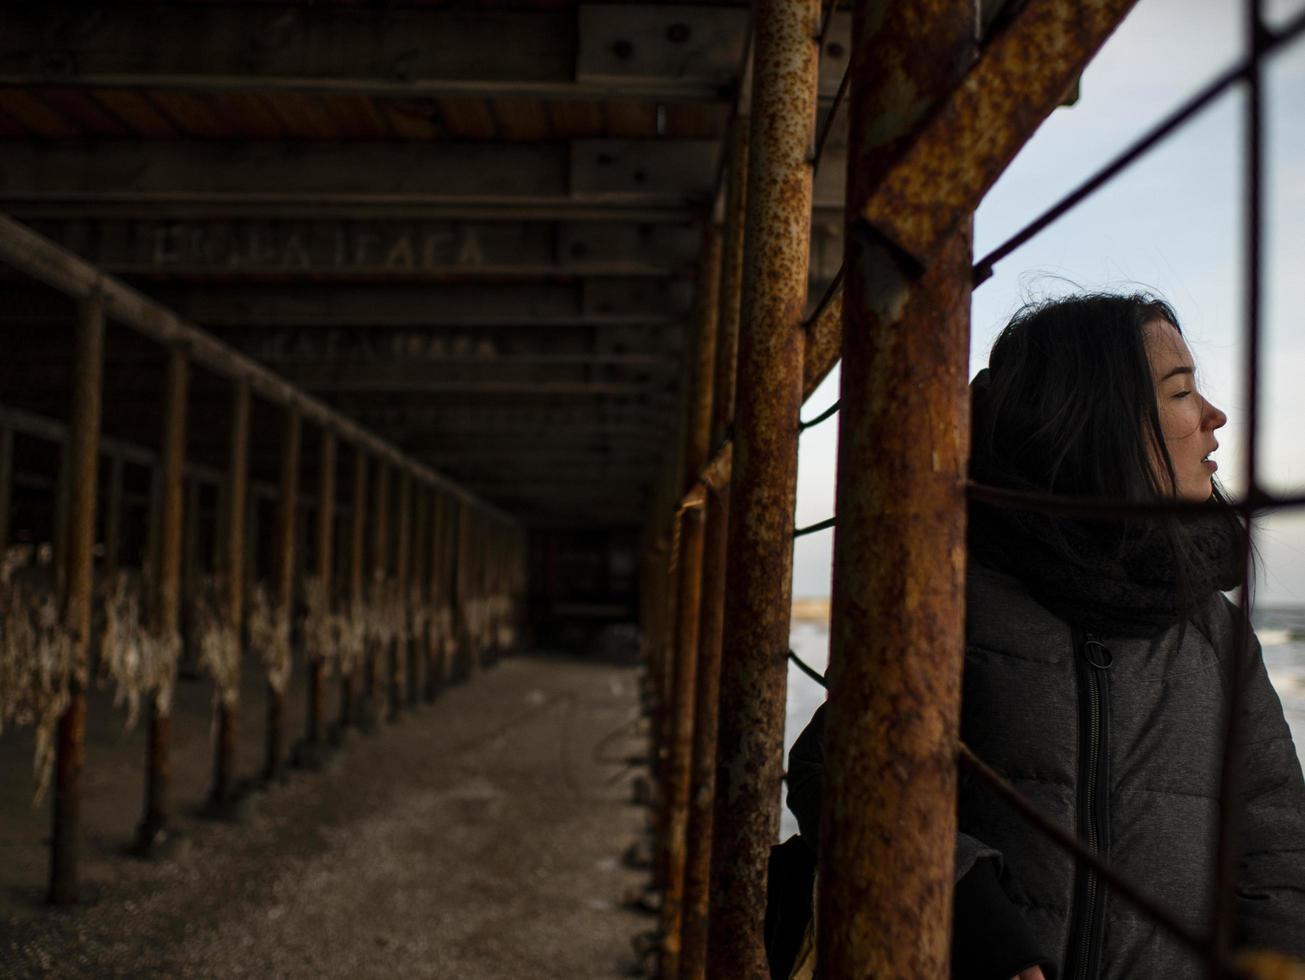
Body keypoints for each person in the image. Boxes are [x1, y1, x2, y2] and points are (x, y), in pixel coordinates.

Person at [784, 293, 1305, 979]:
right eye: (1181, 393)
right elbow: (835, 769)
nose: (1214, 417)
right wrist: (968, 914)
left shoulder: (1212, 629)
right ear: (1097, 419)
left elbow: (1273, 838)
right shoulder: (953, 598)